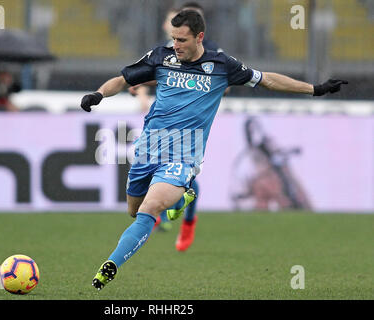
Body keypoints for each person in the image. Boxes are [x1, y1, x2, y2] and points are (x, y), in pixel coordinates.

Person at [81, 10, 347, 290]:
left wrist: (315, 89)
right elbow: (123, 78)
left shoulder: (222, 65)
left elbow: (267, 78)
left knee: (150, 209)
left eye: (182, 40)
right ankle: (182, 199)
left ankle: (109, 266)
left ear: (199, 37)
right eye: (173, 39)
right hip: (148, 149)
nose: (176, 45)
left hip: (183, 155)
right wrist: (99, 94)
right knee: (134, 212)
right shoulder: (161, 56)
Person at [129, 3, 223, 252]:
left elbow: (226, 80)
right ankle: (164, 208)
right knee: (163, 164)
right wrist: (139, 87)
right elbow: (156, 75)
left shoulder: (212, 51)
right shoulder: (166, 50)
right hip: (166, 118)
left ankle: (187, 220)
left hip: (195, 119)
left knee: (185, 168)